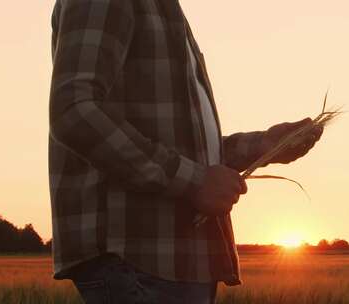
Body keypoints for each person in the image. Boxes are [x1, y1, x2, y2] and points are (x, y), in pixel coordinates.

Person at [48, 0, 323, 303]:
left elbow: (181, 146)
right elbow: (74, 111)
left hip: (170, 262)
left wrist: (262, 146)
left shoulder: (165, 10)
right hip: (135, 259)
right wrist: (194, 181)